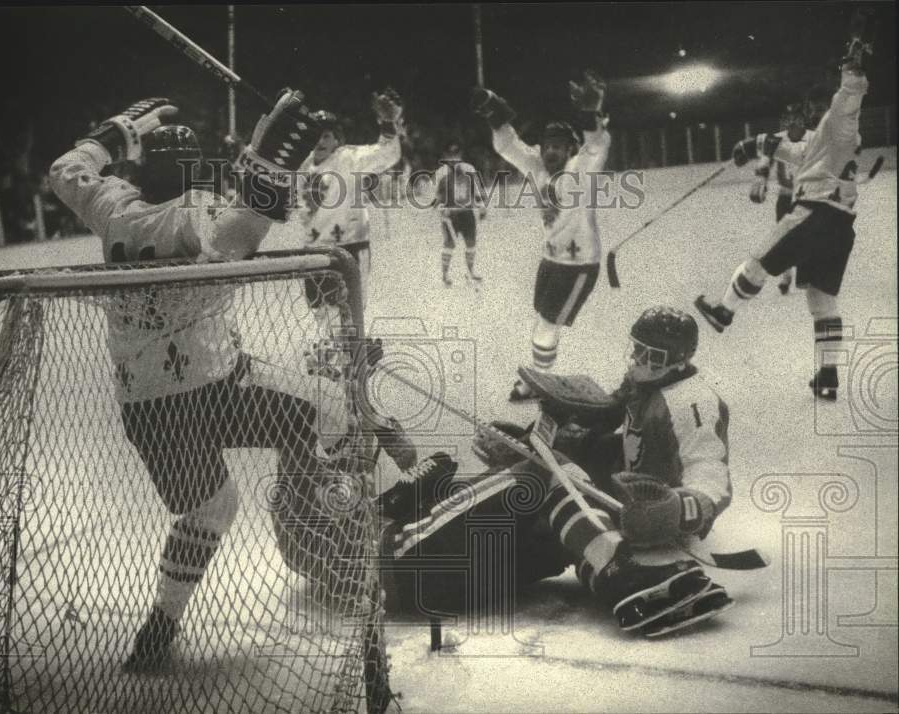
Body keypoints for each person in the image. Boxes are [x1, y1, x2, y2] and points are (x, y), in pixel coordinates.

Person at [49, 92, 411, 671]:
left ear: (140, 168)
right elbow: (242, 230)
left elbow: (67, 171)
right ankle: (344, 542)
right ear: (194, 169)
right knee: (329, 409)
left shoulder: (113, 208)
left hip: (145, 405)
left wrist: (115, 133)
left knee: (212, 511)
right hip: (217, 389)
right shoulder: (200, 213)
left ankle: (162, 622)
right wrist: (266, 169)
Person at [376, 308, 734, 637]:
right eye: (637, 349)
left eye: (650, 354)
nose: (637, 359)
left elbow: (709, 472)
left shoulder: (691, 400)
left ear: (679, 359)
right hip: (409, 561)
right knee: (549, 477)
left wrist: (678, 508)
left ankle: (631, 586)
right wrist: (533, 453)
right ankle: (619, 574)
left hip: (445, 578)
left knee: (557, 520)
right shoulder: (650, 387)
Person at [695, 21, 872, 401]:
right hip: (840, 226)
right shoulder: (828, 137)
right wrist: (753, 145)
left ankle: (724, 311)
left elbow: (848, 97)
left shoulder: (839, 120)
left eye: (817, 107)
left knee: (758, 261)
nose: (812, 112)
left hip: (815, 213)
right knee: (821, 299)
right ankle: (828, 373)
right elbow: (799, 152)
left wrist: (853, 69)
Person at [471, 70, 612, 402]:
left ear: (571, 150)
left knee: (547, 324)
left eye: (559, 147)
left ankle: (539, 382)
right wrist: (494, 111)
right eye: (547, 146)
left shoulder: (580, 170)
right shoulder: (537, 168)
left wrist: (590, 113)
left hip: (579, 264)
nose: (550, 152)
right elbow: (509, 146)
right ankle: (541, 374)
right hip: (551, 258)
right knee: (544, 321)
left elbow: (597, 146)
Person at [298, 89, 403, 330]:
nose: (320, 141)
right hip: (314, 248)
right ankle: (335, 348)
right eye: (315, 135)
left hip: (349, 246)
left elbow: (386, 154)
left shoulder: (348, 158)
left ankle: (351, 350)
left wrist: (388, 124)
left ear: (337, 140)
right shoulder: (303, 166)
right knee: (321, 311)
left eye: (326, 136)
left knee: (350, 312)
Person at [747, 103, 813, 295]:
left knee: (806, 236)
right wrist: (761, 176)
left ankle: (805, 274)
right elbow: (765, 160)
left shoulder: (813, 138)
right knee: (783, 238)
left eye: (796, 118)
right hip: (785, 197)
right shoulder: (775, 139)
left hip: (806, 197)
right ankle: (786, 277)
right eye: (788, 118)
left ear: (802, 120)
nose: (791, 122)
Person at [433, 141, 486, 286]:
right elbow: (436, 197)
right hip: (451, 215)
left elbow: (476, 190)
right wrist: (441, 208)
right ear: (445, 157)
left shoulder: (469, 169)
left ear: (460, 155)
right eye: (450, 156)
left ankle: (470, 273)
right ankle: (445, 275)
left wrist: (481, 207)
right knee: (449, 244)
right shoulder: (441, 173)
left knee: (471, 242)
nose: (453, 159)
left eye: (456, 155)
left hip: (467, 213)